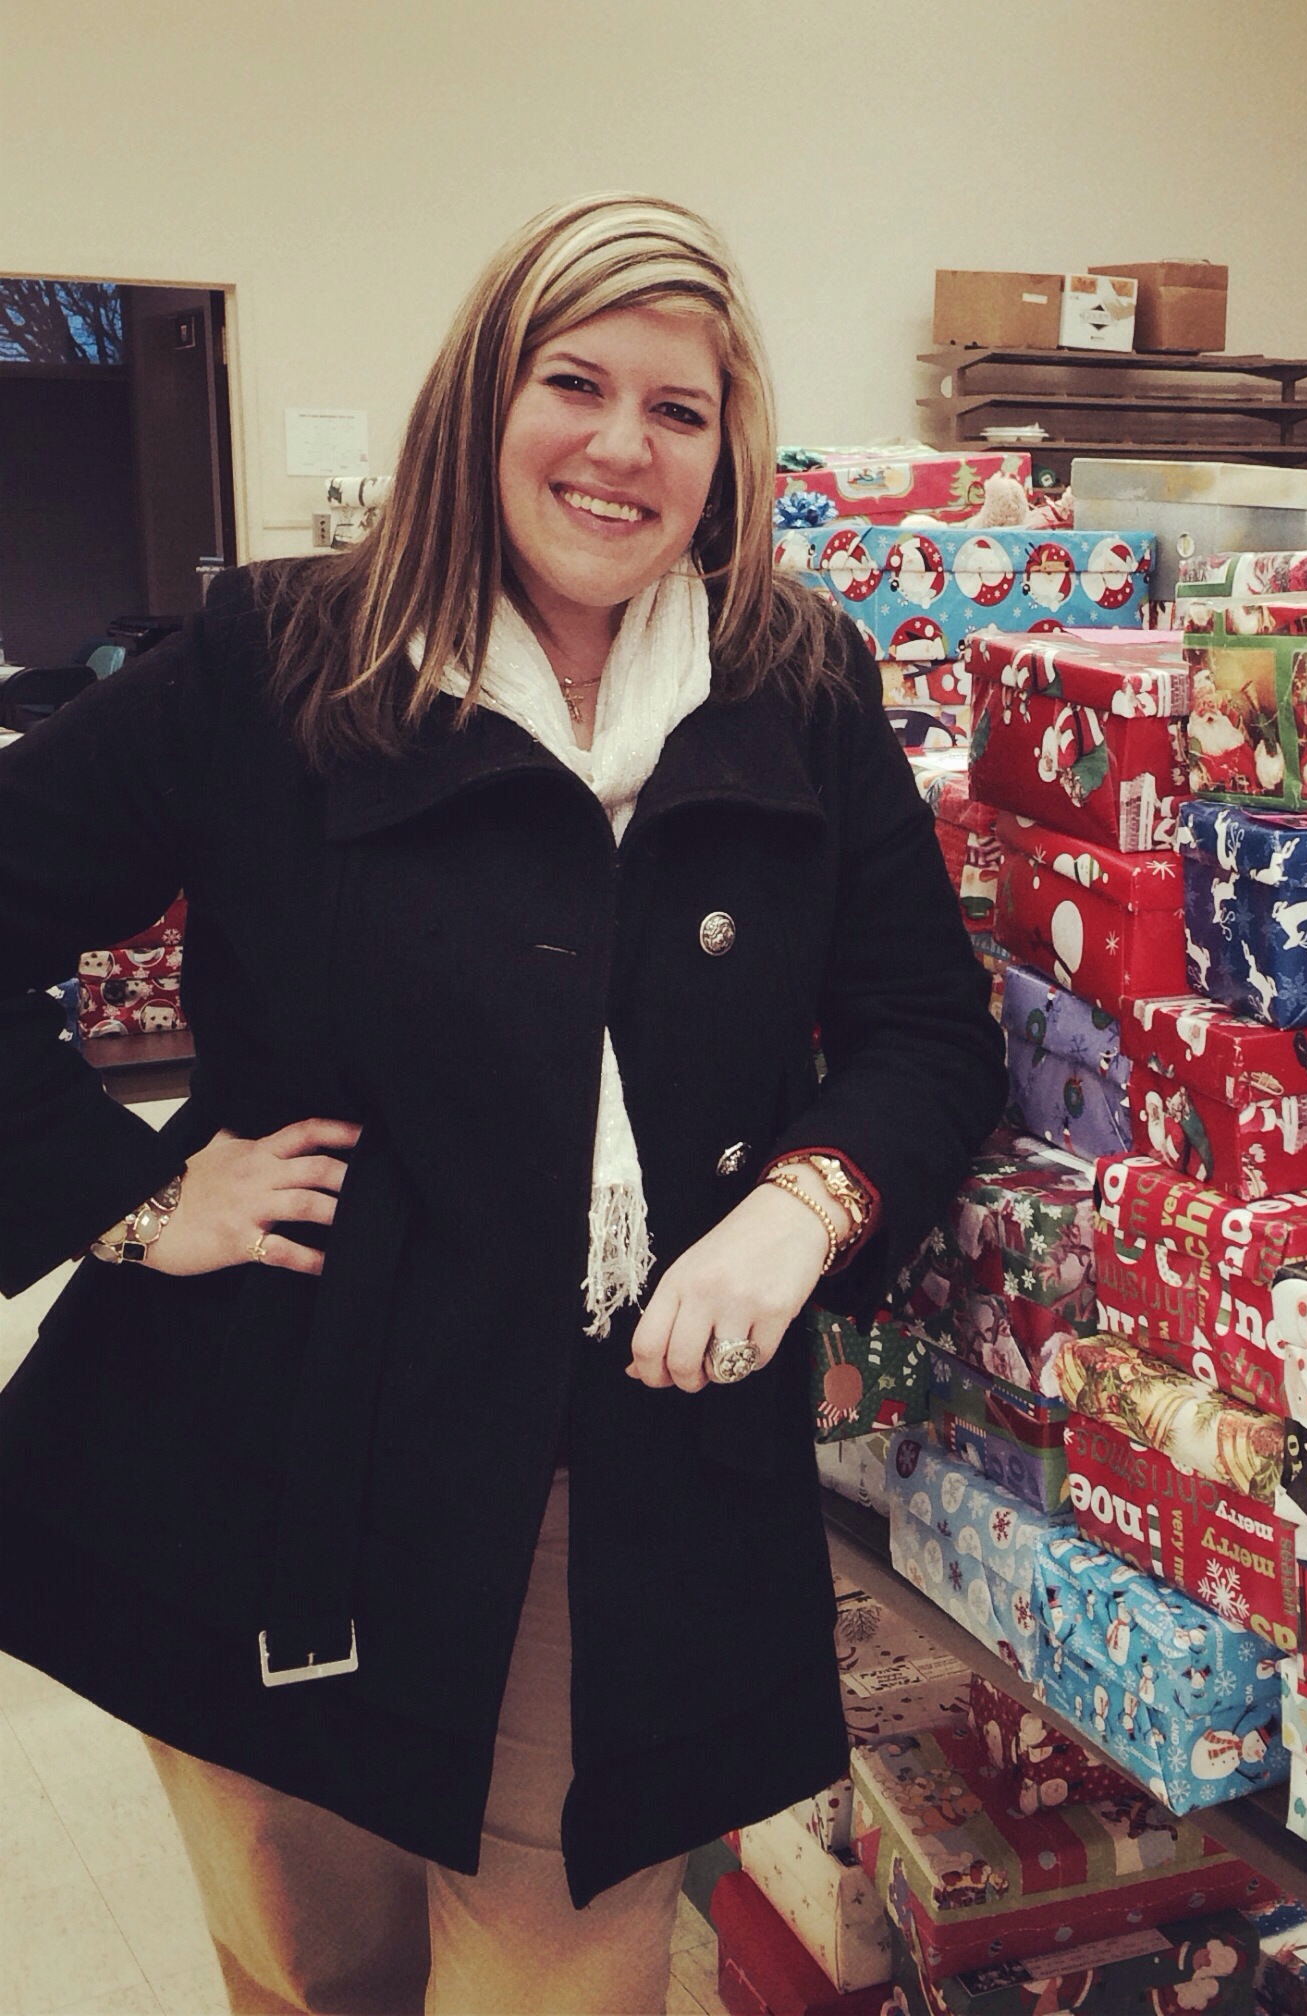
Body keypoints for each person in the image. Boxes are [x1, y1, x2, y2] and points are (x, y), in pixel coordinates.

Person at [0, 194, 1006, 2014]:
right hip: (279, 1444)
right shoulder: (281, 657)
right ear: (481, 398)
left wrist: (804, 1207)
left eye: (680, 410)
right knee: (315, 1969)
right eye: (575, 383)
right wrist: (131, 1197)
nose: (623, 447)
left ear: (730, 450)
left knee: (562, 1971)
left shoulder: (795, 686)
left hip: (627, 1468)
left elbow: (926, 1025)